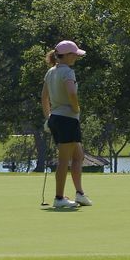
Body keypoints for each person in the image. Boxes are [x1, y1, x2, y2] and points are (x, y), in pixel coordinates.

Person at [41, 40, 91, 210]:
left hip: (56, 118)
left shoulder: (50, 72)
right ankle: (59, 197)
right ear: (68, 56)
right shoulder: (68, 73)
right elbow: (71, 93)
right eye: (75, 54)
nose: (76, 57)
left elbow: (44, 98)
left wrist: (48, 117)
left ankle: (80, 194)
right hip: (67, 120)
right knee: (64, 160)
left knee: (78, 156)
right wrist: (76, 107)